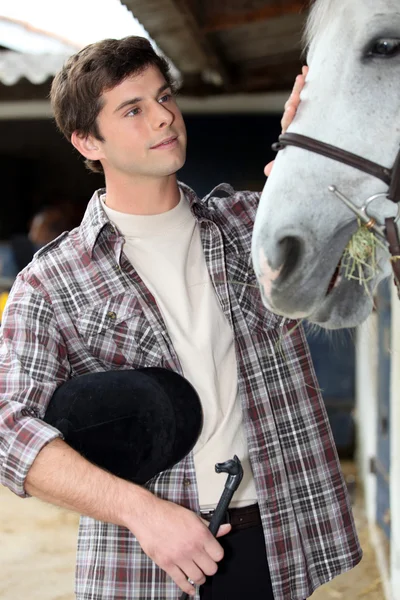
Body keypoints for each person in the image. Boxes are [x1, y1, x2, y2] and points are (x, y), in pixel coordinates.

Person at [0, 37, 361, 600]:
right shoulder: (50, 282)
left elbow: (341, 268)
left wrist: (310, 157)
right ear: (86, 141)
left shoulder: (251, 223)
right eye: (133, 109)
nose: (164, 116)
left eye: (163, 96)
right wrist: (142, 512)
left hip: (281, 540)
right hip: (150, 563)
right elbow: (9, 430)